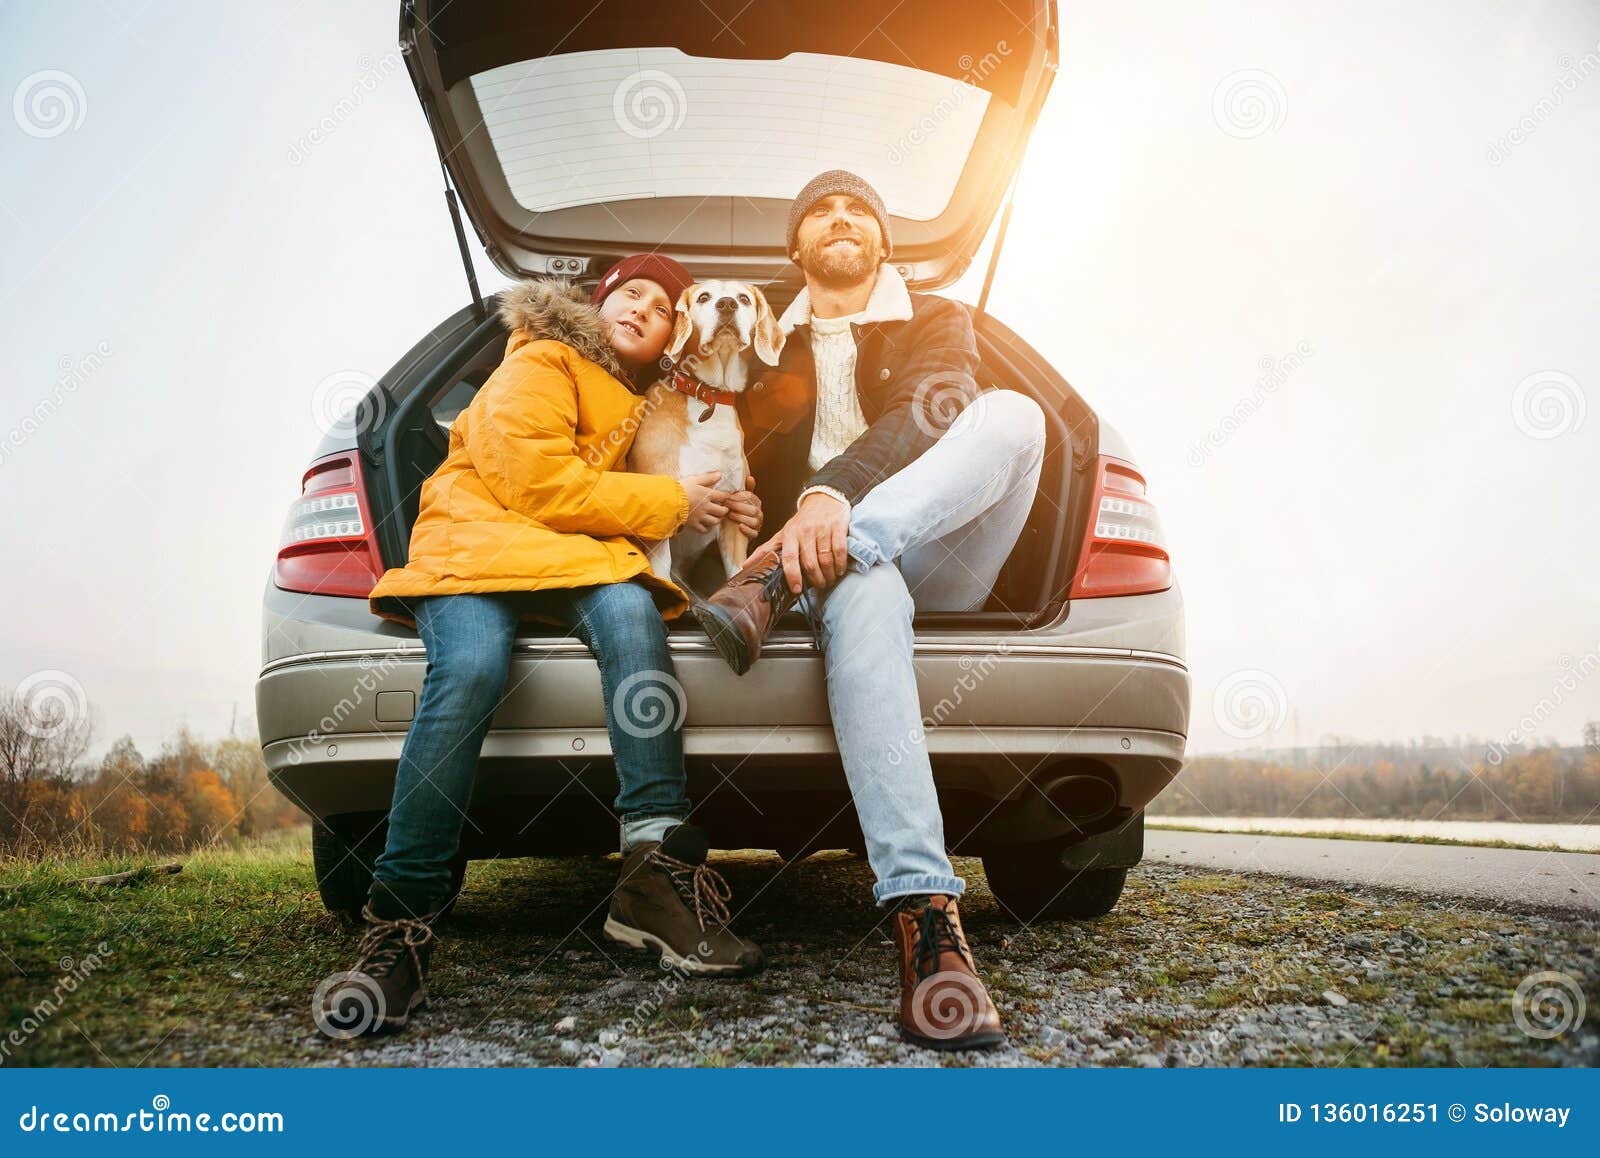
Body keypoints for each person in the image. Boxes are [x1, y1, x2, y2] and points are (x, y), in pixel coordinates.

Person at [328, 254, 766, 1036]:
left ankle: (651, 877)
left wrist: (724, 505)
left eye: (664, 307)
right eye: (630, 292)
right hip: (478, 546)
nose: (644, 308)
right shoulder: (542, 358)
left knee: (636, 620)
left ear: (676, 335)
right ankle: (401, 922)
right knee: (470, 668)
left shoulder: (653, 403)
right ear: (596, 305)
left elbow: (671, 495)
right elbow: (534, 478)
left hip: (572, 553)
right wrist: (671, 498)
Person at [693, 171, 1047, 1050]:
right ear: (797, 246)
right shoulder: (765, 344)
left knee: (1010, 415)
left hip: (934, 553)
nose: (842, 217)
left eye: (860, 210)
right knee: (862, 580)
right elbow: (713, 436)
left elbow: (933, 414)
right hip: (840, 576)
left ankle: (774, 581)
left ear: (884, 243)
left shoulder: (935, 318)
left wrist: (828, 502)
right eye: (821, 208)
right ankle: (928, 924)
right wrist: (728, 505)